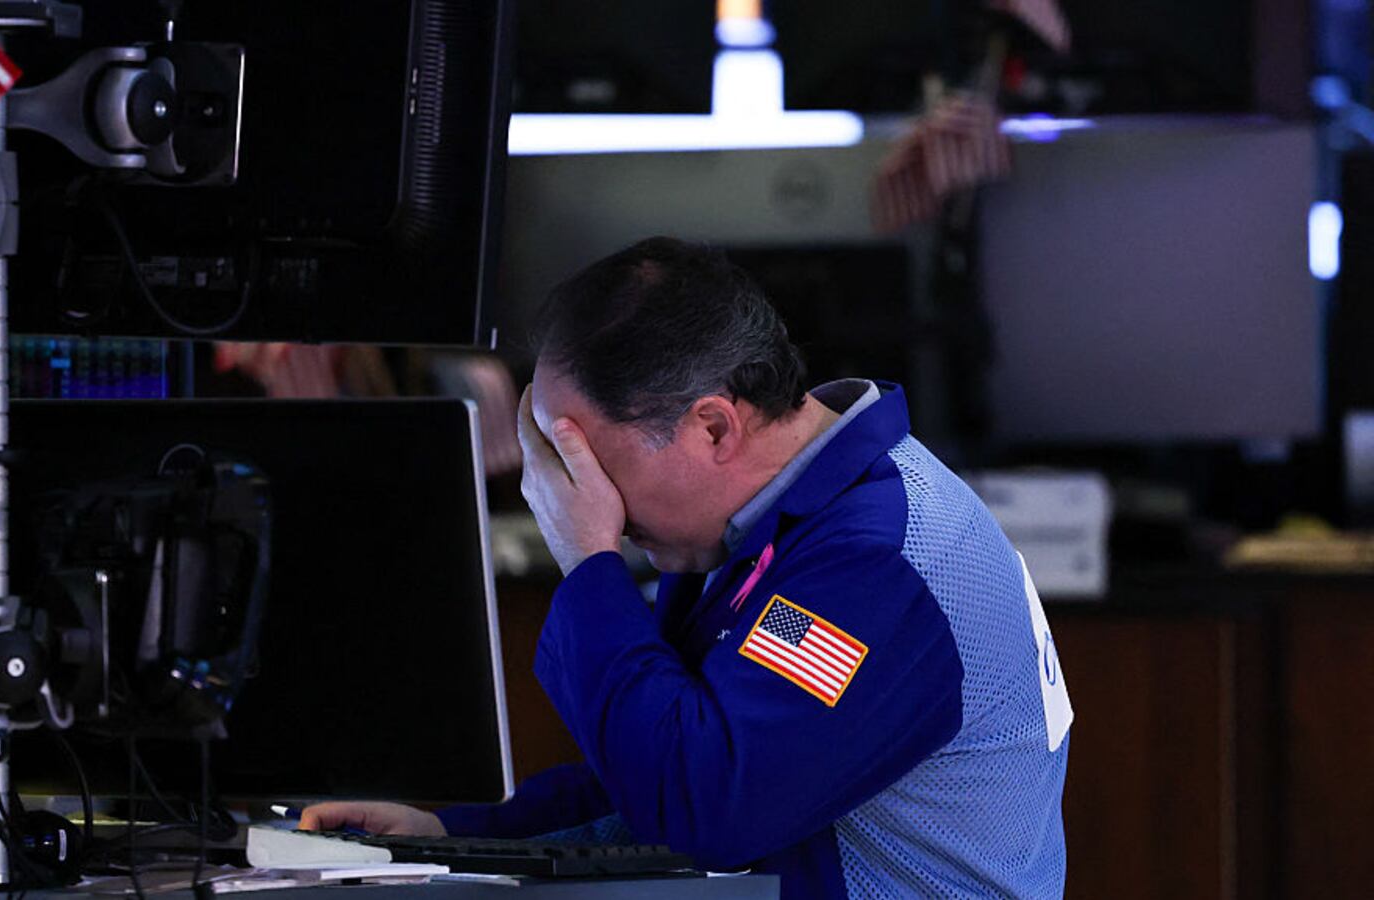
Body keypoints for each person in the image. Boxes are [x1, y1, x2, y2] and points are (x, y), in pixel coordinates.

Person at [301, 237, 1073, 898]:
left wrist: (587, 561)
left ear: (711, 427)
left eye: (592, 465)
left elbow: (702, 806)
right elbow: (662, 755)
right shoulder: (781, 526)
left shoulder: (875, 564)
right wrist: (452, 832)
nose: (591, 501)